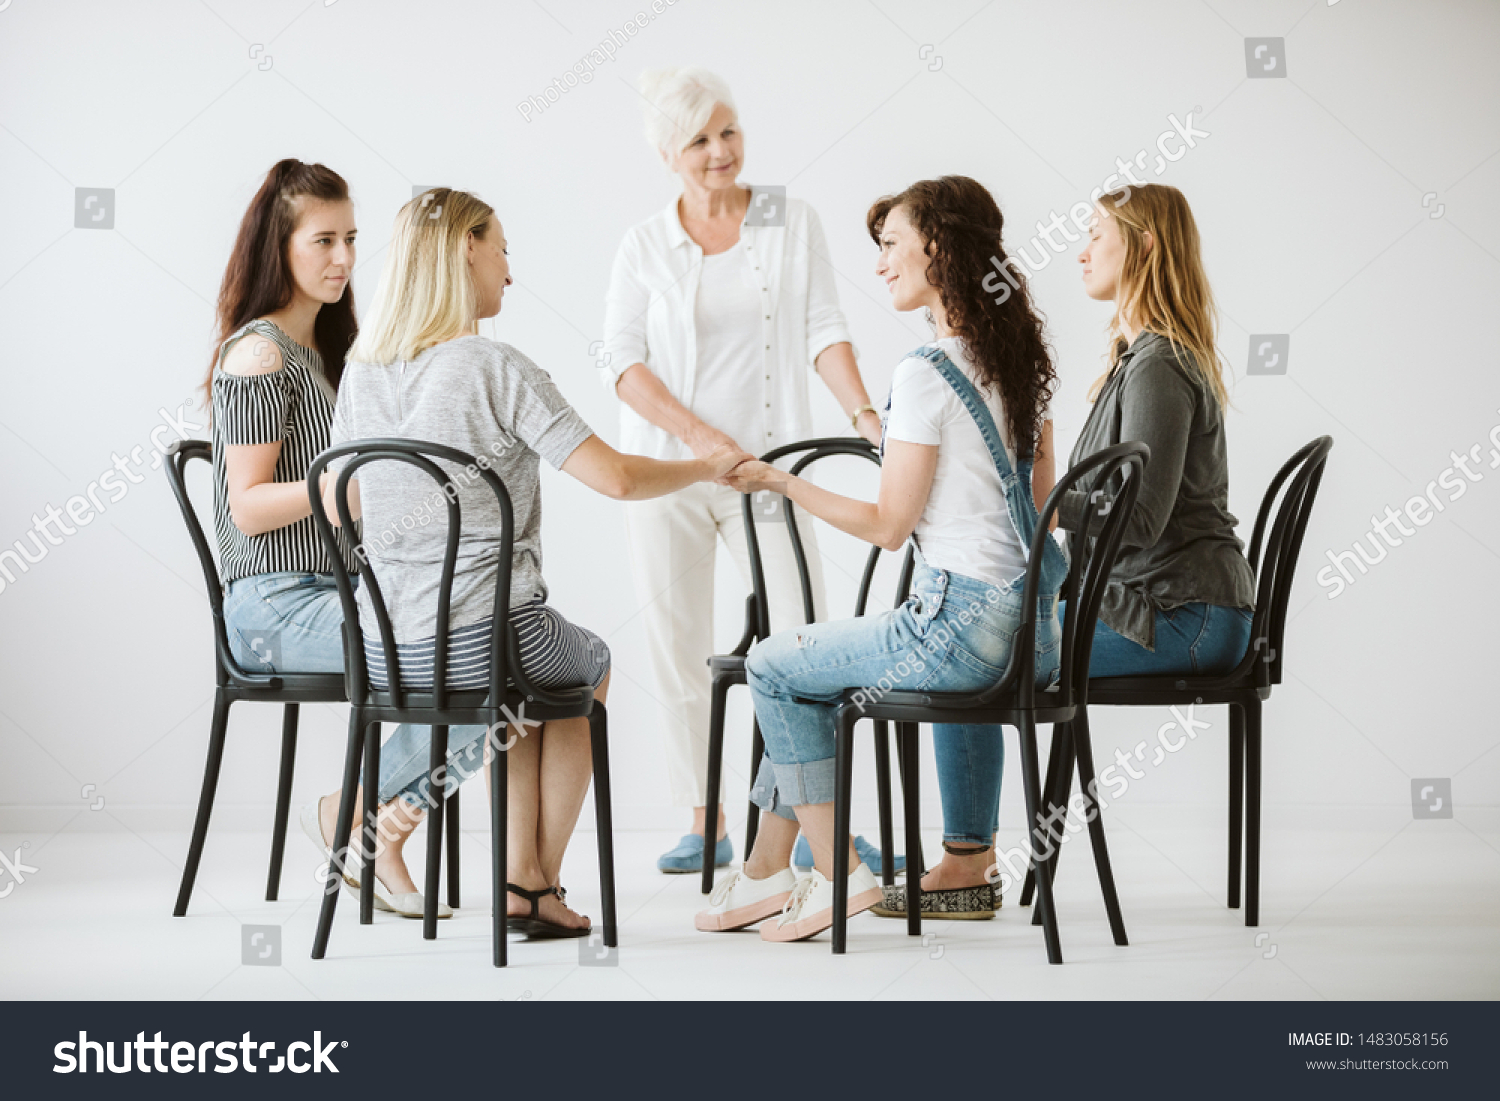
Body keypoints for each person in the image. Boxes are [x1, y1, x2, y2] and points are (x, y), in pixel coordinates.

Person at [318, 188, 749, 937]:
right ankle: (531, 884)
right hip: (489, 641)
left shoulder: (363, 370)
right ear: (467, 249)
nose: (510, 274)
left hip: (389, 651)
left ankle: (515, 872)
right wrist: (703, 465)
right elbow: (615, 476)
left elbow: (337, 502)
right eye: (503, 250)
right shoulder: (494, 365)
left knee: (528, 694)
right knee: (590, 663)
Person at [695, 176, 1065, 940]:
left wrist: (777, 478)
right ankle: (768, 874)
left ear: (939, 247)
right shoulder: (1019, 362)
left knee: (771, 664)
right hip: (1031, 634)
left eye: (892, 244)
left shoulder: (925, 371)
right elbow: (1035, 496)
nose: (881, 264)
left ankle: (838, 874)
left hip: (954, 627)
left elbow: (890, 526)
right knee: (807, 675)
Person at [603, 66, 891, 875]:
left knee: (805, 643)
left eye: (729, 131)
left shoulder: (787, 219)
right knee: (680, 648)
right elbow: (622, 364)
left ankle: (813, 824)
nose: (721, 151)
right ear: (668, 153)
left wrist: (867, 417)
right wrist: (701, 442)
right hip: (671, 473)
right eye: (699, 139)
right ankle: (707, 819)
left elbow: (826, 329)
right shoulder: (643, 245)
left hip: (771, 471)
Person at [204, 159, 450, 919]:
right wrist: (355, 490)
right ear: (279, 246)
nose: (343, 258)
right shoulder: (259, 354)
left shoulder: (325, 357)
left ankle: (352, 815)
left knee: (472, 642)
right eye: (322, 241)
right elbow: (246, 507)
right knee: (446, 653)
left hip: (333, 595)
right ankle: (365, 830)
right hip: (271, 608)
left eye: (350, 239)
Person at [1064, 183, 1254, 676]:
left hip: (1183, 615)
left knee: (987, 648)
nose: (1082, 254)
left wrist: (1040, 499)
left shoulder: (1159, 364)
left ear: (1144, 244)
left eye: (1095, 235)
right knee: (990, 637)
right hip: (1172, 607)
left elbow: (1142, 516)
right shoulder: (1137, 361)